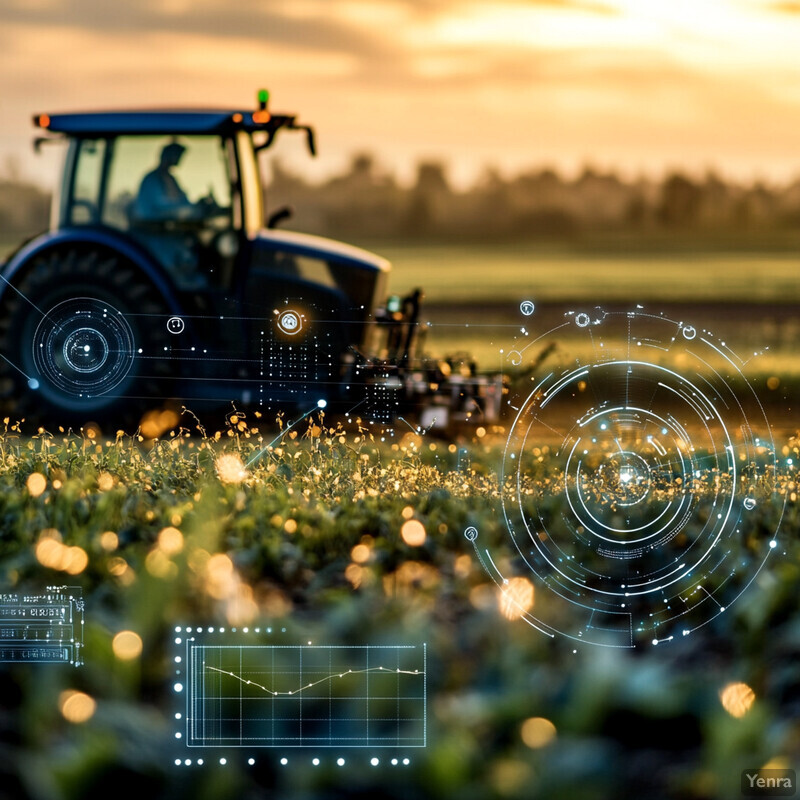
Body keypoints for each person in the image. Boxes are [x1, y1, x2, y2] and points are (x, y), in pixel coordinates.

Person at [134, 141, 215, 223]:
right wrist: (191, 208)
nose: (180, 158)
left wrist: (197, 204)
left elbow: (182, 201)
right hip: (154, 224)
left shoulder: (170, 178)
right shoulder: (152, 179)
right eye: (177, 155)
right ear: (169, 156)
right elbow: (159, 207)